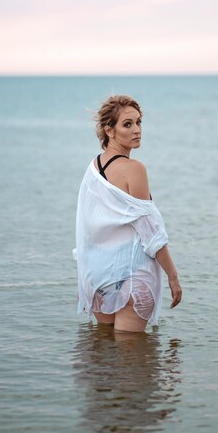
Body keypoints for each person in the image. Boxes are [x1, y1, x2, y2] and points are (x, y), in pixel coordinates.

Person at [73, 94, 182, 333]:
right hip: (134, 280)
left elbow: (88, 229)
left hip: (98, 279)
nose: (137, 130)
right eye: (127, 124)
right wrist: (173, 276)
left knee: (103, 358)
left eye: (139, 122)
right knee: (134, 364)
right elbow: (151, 233)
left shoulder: (93, 169)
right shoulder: (135, 169)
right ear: (109, 131)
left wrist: (86, 277)